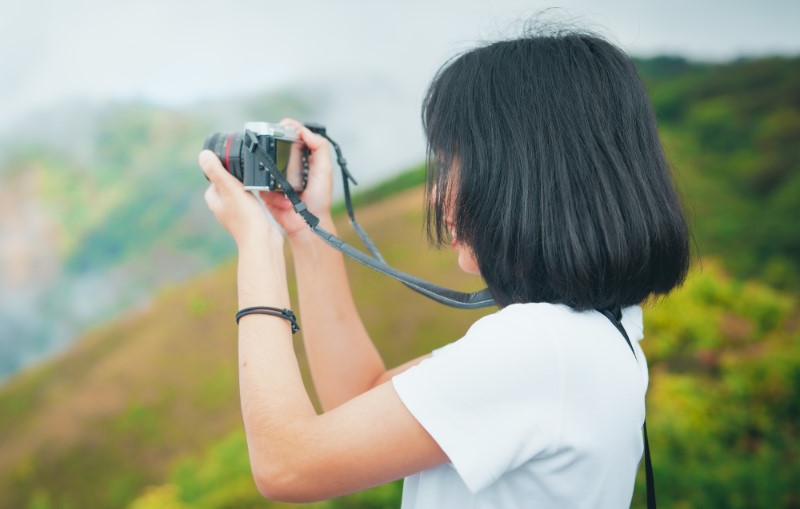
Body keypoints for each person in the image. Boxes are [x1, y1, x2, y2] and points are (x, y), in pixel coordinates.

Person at [198, 28, 690, 508]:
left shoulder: (540, 349)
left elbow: (286, 466)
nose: (437, 194)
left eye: (453, 162)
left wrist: (257, 245)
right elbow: (358, 397)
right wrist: (308, 229)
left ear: (522, 174)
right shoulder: (598, 330)